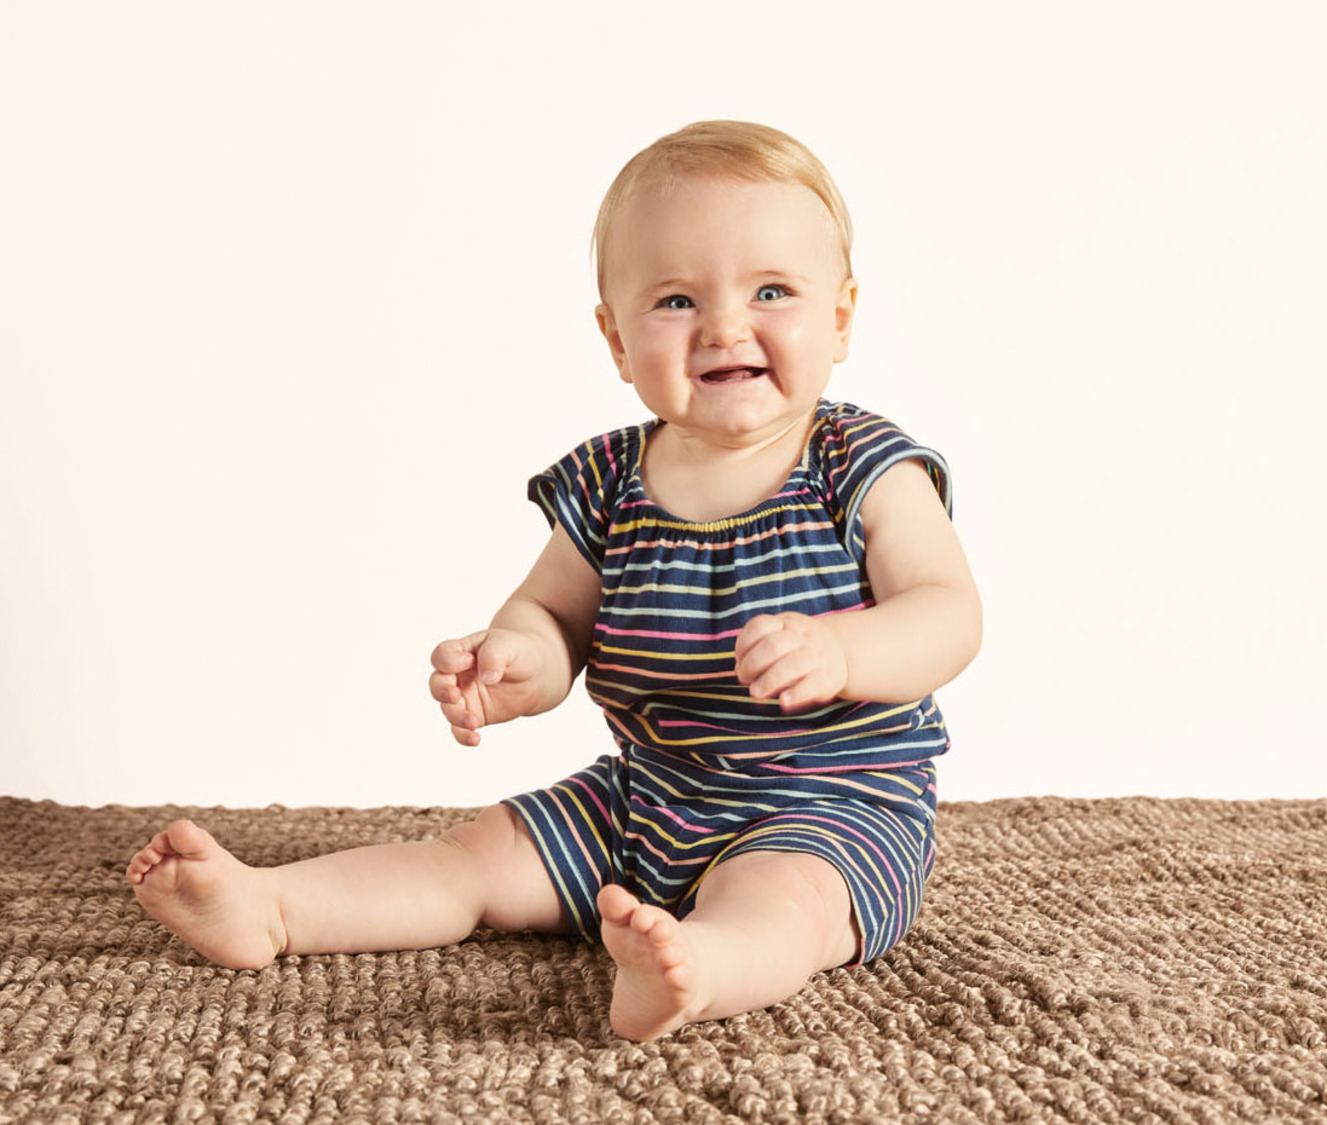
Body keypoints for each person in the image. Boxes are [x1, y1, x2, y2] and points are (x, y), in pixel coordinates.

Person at [127, 120, 982, 1041]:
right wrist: (520, 660)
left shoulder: (860, 464)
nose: (725, 326)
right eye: (676, 300)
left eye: (771, 290)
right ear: (616, 339)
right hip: (645, 797)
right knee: (477, 853)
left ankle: (700, 967)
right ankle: (273, 907)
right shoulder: (610, 482)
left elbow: (949, 612)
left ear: (841, 317)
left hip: (832, 807)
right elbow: (553, 613)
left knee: (786, 901)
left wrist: (844, 649)